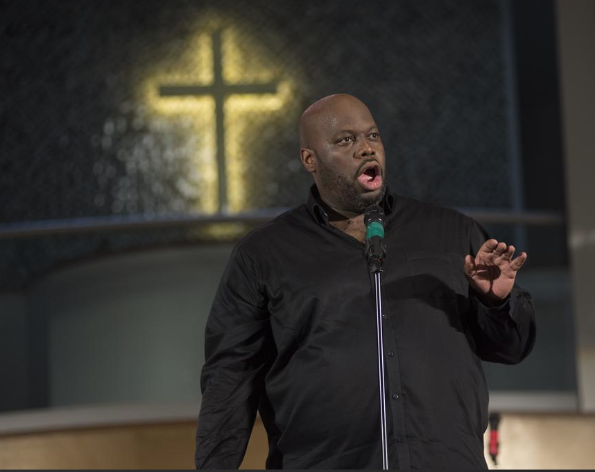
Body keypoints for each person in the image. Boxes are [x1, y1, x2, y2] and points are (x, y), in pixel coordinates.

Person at [195, 94, 536, 469]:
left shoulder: (451, 234)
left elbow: (512, 347)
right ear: (310, 159)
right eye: (346, 140)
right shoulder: (264, 253)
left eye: (372, 136)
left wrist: (496, 303)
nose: (365, 148)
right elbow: (229, 382)